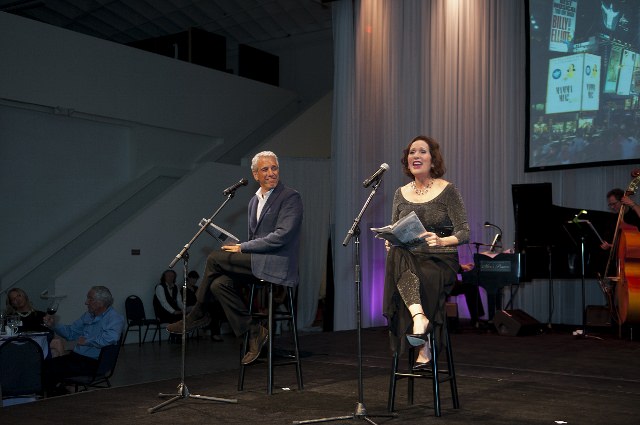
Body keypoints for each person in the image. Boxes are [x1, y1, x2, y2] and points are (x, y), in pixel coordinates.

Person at [167, 151, 303, 365]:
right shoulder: (254, 202)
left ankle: (198, 314)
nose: (271, 173)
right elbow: (255, 240)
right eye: (265, 169)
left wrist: (243, 247)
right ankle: (254, 330)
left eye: (274, 168)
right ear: (255, 175)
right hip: (257, 261)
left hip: (277, 263)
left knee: (214, 258)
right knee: (218, 284)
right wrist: (239, 246)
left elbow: (282, 236)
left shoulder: (290, 197)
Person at [383, 135, 470, 369]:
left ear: (433, 159)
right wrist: (390, 240)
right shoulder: (400, 193)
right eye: (412, 152)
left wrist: (441, 241)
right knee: (396, 253)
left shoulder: (448, 190)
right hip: (410, 256)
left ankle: (424, 337)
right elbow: (395, 227)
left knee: (418, 280)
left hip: (440, 258)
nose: (416, 156)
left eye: (422, 151)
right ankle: (420, 320)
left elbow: (464, 232)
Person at [42, 285, 124, 396]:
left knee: (49, 369)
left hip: (93, 363)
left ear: (100, 302)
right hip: (78, 358)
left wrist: (87, 341)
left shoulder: (114, 318)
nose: (86, 302)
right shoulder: (88, 315)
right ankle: (57, 396)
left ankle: (51, 399)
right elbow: (71, 333)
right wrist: (54, 325)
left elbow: (111, 338)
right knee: (46, 365)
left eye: (90, 299)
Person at [4, 288, 66, 357]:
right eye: (14, 299)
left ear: (25, 296)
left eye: (19, 296)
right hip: (19, 345)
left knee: (57, 343)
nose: (18, 299)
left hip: (39, 344)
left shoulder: (41, 315)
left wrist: (51, 325)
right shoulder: (10, 318)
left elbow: (49, 334)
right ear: (12, 304)